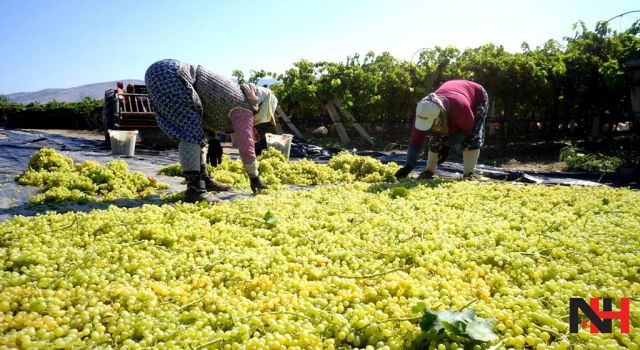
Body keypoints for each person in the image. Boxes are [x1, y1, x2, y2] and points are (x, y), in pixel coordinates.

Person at [145, 59, 278, 203]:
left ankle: (203, 180)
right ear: (264, 105)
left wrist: (213, 140)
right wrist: (255, 178)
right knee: (189, 133)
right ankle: (195, 190)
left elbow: (203, 116)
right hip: (172, 75)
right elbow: (246, 146)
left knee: (193, 129)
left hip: (163, 72)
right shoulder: (244, 106)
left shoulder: (237, 95)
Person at [395, 80, 488, 180]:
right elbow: (415, 142)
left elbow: (467, 129)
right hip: (453, 97)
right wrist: (409, 165)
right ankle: (428, 171)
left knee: (472, 137)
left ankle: (468, 174)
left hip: (477, 96)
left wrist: (448, 144)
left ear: (440, 116)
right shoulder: (422, 112)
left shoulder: (460, 109)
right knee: (436, 136)